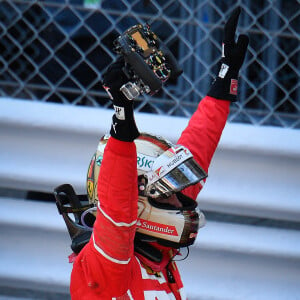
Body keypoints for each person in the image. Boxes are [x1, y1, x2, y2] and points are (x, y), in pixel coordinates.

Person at [67, 7, 249, 299]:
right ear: (136, 200)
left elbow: (196, 150)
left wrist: (224, 81)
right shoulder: (109, 264)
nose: (183, 200)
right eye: (167, 194)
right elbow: (117, 210)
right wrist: (122, 122)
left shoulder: (157, 255)